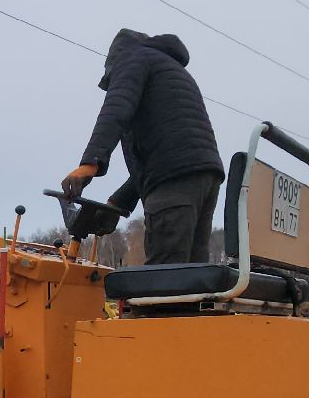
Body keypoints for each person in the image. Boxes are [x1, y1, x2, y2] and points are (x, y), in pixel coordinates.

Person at [62, 28, 223, 266]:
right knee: (191, 273)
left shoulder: (132, 59)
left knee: (164, 274)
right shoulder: (167, 68)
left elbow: (116, 110)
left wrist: (89, 165)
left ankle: (158, 305)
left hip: (174, 181)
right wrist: (117, 203)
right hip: (205, 176)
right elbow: (161, 155)